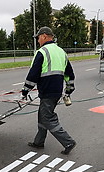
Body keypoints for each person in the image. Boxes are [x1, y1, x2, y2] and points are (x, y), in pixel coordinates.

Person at [22, 26, 76, 155]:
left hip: (47, 91)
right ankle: (39, 142)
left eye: (38, 38)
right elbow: (70, 73)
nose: (38, 41)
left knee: (48, 118)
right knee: (43, 115)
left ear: (44, 36)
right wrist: (69, 90)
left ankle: (68, 141)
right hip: (56, 91)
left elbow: (33, 73)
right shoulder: (61, 52)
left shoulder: (42, 51)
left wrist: (25, 90)